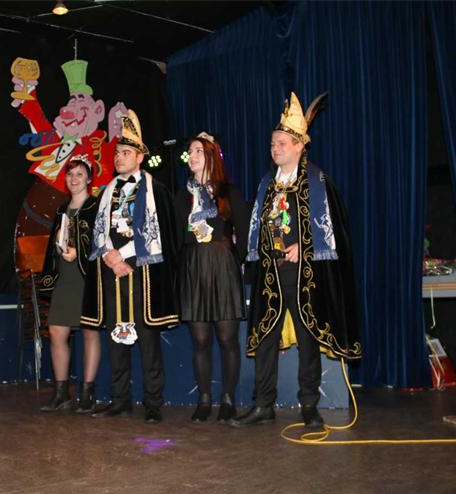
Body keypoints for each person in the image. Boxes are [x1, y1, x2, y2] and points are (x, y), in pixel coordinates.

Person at [231, 92, 361, 430]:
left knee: (308, 338)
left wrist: (305, 248)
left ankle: (309, 406)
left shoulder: (317, 182)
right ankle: (263, 405)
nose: (275, 149)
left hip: (304, 275)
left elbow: (333, 228)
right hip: (271, 273)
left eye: (281, 143)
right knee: (265, 339)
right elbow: (257, 227)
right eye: (272, 144)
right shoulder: (266, 185)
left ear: (300, 146)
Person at [81, 110, 180, 424]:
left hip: (142, 271)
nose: (119, 157)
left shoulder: (156, 190)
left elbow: (157, 231)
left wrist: (122, 255)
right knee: (116, 337)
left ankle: (153, 403)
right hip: (112, 271)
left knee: (148, 341)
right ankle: (120, 399)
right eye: (117, 153)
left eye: (125, 153)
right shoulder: (107, 191)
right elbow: (99, 229)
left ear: (140, 157)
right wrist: (110, 257)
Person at [174, 132, 249, 423]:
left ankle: (228, 398)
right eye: (190, 151)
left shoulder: (228, 192)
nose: (192, 156)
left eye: (198, 151)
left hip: (223, 266)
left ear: (211, 156)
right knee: (200, 339)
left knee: (228, 338)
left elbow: (244, 231)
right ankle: (204, 398)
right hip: (194, 266)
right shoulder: (183, 195)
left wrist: (233, 260)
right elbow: (176, 236)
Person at [39, 158, 100, 412]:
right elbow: (53, 248)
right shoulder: (61, 210)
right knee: (56, 332)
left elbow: (103, 241)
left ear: (89, 179)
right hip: (64, 278)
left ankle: (87, 393)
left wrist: (80, 254)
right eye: (70, 174)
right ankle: (61, 392)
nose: (74, 179)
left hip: (88, 277)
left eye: (80, 174)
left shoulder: (96, 206)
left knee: (89, 332)